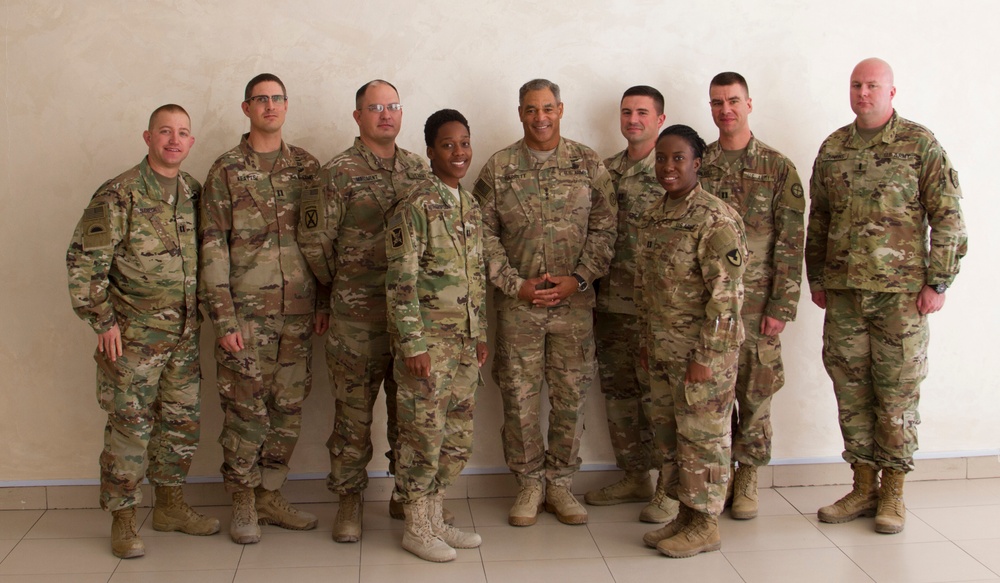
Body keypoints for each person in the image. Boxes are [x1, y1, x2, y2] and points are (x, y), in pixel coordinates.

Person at [807, 58, 967, 534]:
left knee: (896, 397)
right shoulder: (834, 148)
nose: (862, 93)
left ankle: (893, 491)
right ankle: (862, 486)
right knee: (851, 394)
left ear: (891, 92)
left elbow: (950, 217)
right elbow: (818, 221)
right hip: (845, 297)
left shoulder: (919, 144)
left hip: (901, 300)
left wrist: (938, 281)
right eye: (856, 85)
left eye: (872, 85)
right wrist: (816, 278)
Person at [66, 104, 220, 559]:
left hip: (184, 337)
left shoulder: (193, 192)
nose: (175, 140)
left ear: (191, 143)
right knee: (130, 428)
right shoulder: (119, 194)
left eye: (183, 133)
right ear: (147, 137)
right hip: (133, 337)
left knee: (180, 425)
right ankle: (124, 519)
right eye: (165, 132)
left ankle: (170, 507)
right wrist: (103, 320)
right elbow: (83, 261)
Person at [473, 79, 617, 527]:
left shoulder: (587, 163)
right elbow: (482, 236)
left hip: (574, 308)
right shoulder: (499, 168)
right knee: (518, 399)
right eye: (531, 109)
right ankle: (529, 483)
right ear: (520, 113)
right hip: (519, 308)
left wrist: (579, 278)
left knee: (570, 397)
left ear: (561, 109)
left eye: (548, 109)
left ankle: (560, 482)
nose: (541, 118)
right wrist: (515, 284)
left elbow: (606, 229)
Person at [298, 80, 433, 543]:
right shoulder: (337, 172)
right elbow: (315, 242)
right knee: (353, 418)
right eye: (374, 107)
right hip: (356, 321)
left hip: (410, 321)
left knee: (408, 414)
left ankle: (405, 495)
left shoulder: (419, 169)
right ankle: (350, 501)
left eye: (392, 106)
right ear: (358, 116)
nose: (385, 114)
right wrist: (344, 284)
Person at [200, 73, 328, 544]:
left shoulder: (308, 168)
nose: (270, 106)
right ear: (246, 108)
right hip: (245, 316)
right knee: (244, 411)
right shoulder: (227, 170)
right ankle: (243, 501)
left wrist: (324, 300)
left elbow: (320, 241)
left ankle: (271, 495)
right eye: (261, 99)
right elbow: (212, 246)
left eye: (277, 99)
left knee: (288, 410)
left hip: (298, 310)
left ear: (287, 106)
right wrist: (223, 317)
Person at [637, 125, 747, 558]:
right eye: (661, 158)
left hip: (702, 356)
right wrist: (647, 341)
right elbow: (648, 288)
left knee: (703, 438)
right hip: (664, 352)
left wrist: (707, 355)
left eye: (677, 158)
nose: (667, 166)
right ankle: (685, 513)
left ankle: (705, 524)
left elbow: (728, 296)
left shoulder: (715, 219)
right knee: (670, 436)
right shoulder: (654, 216)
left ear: (696, 163)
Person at [699, 72, 805, 520]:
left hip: (760, 304)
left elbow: (791, 240)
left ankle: (747, 478)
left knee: (755, 393)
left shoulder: (777, 168)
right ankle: (715, 477)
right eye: (718, 102)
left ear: (749, 104)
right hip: (710, 307)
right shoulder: (697, 164)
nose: (726, 109)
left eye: (734, 101)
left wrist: (781, 306)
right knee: (710, 396)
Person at [385, 109, 488, 562]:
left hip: (464, 344)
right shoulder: (415, 206)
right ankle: (416, 525)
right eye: (448, 144)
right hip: (429, 346)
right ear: (430, 152)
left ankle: (438, 514)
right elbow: (400, 281)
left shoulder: (469, 205)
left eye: (464, 142)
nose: (459, 152)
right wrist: (412, 344)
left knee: (456, 436)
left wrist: (480, 332)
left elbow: (477, 276)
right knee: (421, 438)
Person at [585, 85, 678, 524]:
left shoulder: (674, 170)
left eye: (643, 112)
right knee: (619, 395)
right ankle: (634, 475)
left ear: (660, 118)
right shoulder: (606, 171)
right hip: (611, 305)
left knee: (661, 399)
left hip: (658, 310)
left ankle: (670, 488)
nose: (633, 120)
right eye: (627, 112)